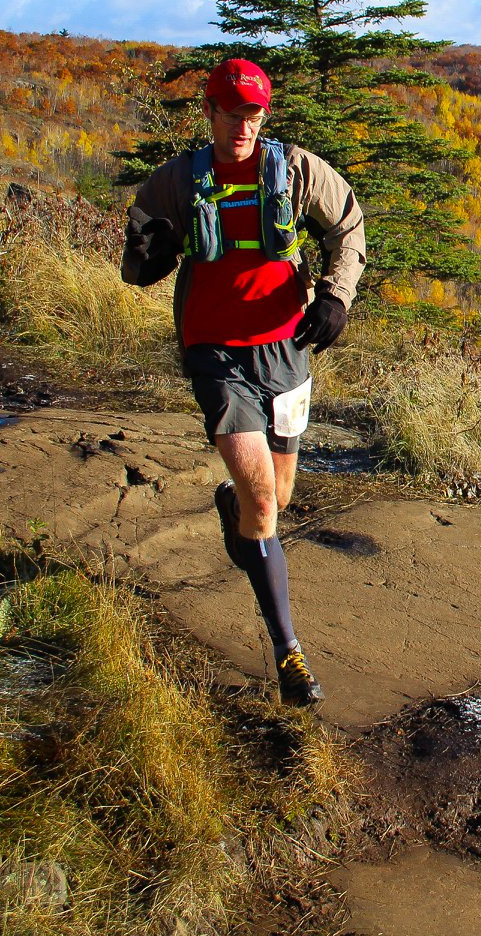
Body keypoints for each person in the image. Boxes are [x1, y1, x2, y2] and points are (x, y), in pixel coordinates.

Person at [119, 58, 366, 705]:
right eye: (231, 113)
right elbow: (142, 242)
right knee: (263, 503)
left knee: (275, 499)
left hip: (286, 352)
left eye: (252, 114)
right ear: (210, 112)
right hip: (215, 353)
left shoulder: (296, 171)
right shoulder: (180, 180)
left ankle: (236, 507)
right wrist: (148, 256)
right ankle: (288, 652)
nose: (242, 126)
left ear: (264, 115)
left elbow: (347, 225)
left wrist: (336, 297)